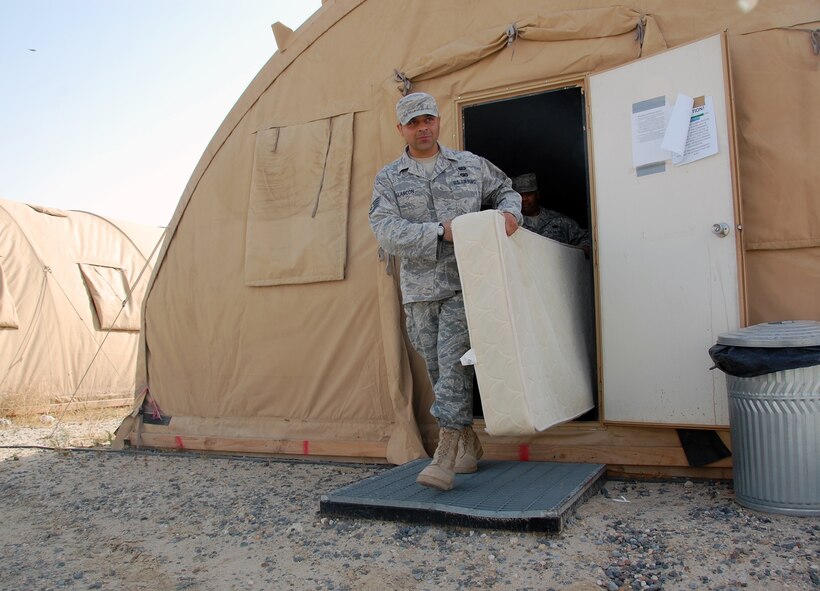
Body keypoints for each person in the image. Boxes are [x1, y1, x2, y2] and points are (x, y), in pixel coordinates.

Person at [369, 92, 523, 491]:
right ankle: (472, 444)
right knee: (437, 368)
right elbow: (386, 232)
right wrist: (440, 232)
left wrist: (511, 214)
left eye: (429, 120)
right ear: (400, 129)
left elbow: (506, 190)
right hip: (419, 291)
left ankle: (446, 452)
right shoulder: (389, 179)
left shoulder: (470, 166)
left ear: (438, 122)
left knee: (453, 363)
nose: (423, 128)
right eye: (414, 122)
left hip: (465, 283)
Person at [511, 172, 591, 255]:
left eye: (528, 194)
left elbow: (587, 238)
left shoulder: (558, 221)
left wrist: (583, 250)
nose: (524, 199)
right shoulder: (512, 223)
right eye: (519, 195)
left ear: (537, 195)